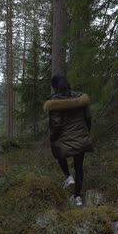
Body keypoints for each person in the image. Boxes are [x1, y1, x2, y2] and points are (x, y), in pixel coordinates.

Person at [43, 75, 93, 206]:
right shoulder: (80, 98)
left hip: (64, 140)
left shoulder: (54, 102)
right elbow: (88, 117)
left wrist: (53, 138)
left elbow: (56, 125)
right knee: (79, 167)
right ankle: (77, 198)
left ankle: (68, 177)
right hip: (81, 137)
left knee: (58, 152)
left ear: (54, 87)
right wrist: (86, 132)